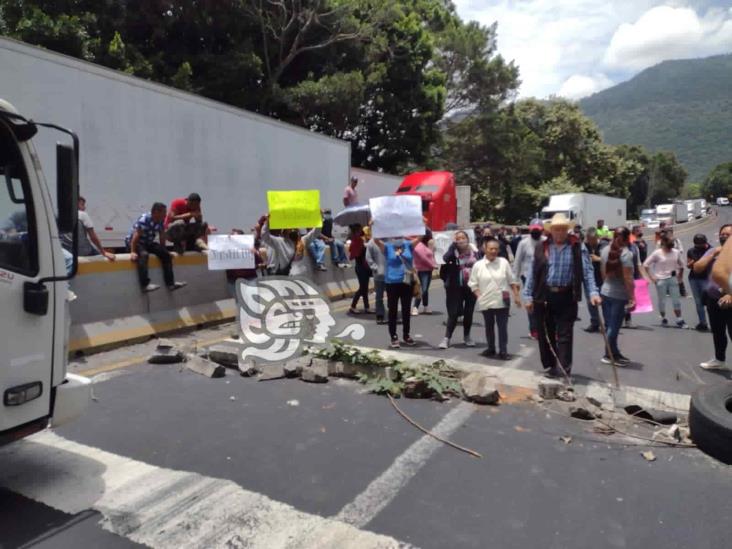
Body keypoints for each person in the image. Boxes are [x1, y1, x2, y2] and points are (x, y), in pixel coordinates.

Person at [523, 213, 602, 379]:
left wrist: (593, 292)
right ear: (550, 231)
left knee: (565, 334)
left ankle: (564, 369)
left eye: (563, 229)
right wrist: (527, 295)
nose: (559, 233)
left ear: (567, 230)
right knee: (547, 333)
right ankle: (552, 365)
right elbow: (532, 272)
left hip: (566, 296)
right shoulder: (542, 247)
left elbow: (587, 272)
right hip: (544, 296)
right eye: (556, 229)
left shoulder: (577, 247)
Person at [469, 237, 521, 360]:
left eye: (496, 249)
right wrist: (479, 296)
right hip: (485, 300)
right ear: (485, 249)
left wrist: (516, 296)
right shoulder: (478, 265)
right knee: (489, 326)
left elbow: (512, 280)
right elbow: (473, 283)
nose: (493, 251)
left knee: (502, 327)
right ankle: (491, 348)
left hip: (502, 300)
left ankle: (503, 350)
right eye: (491, 249)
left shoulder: (503, 262)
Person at [126, 202, 186, 293]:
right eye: (164, 212)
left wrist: (164, 250)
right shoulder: (145, 219)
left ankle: (171, 284)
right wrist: (133, 252)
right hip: (136, 242)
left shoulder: (160, 220)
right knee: (144, 255)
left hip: (148, 242)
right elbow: (136, 236)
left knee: (166, 255)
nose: (165, 215)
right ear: (156, 212)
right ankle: (144, 285)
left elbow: (162, 236)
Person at [695, 225, 732, 369]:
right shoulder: (713, 250)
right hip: (713, 298)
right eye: (722, 234)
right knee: (718, 332)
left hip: (729, 299)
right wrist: (712, 254)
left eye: (728, 235)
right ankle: (719, 360)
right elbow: (697, 268)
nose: (724, 237)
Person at [599, 227, 636, 365]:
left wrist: (606, 286)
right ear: (627, 238)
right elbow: (628, 278)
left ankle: (614, 352)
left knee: (610, 325)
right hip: (619, 295)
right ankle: (608, 355)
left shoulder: (604, 250)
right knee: (614, 327)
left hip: (606, 291)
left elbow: (602, 271)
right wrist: (632, 297)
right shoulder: (626, 254)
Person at [439, 231, 478, 349]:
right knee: (453, 313)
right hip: (454, 287)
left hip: (471, 287)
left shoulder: (475, 252)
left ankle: (467, 336)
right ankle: (446, 338)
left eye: (463, 238)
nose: (461, 240)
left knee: (468, 312)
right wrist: (452, 246)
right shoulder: (452, 253)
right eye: (458, 238)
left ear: (468, 239)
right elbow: (445, 259)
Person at [374, 237, 416, 348]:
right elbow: (376, 240)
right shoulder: (387, 246)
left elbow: (422, 235)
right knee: (392, 310)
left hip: (406, 281)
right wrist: (373, 225)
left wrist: (423, 224)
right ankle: (393, 336)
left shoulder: (408, 244)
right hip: (392, 282)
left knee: (406, 310)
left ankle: (406, 335)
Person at [643, 234, 687, 328]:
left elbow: (682, 265)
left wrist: (680, 276)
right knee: (662, 300)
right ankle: (663, 318)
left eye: (672, 244)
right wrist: (652, 277)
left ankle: (679, 319)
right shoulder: (657, 253)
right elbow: (646, 264)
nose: (671, 246)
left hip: (672, 278)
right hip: (660, 279)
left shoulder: (676, 252)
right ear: (664, 243)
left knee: (676, 300)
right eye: (669, 244)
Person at [513, 219, 545, 339]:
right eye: (534, 229)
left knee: (543, 304)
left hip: (542, 278)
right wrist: (514, 280)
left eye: (538, 230)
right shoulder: (524, 243)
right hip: (527, 278)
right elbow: (517, 261)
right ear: (530, 229)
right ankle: (533, 329)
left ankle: (544, 327)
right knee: (530, 303)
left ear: (542, 230)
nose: (536, 231)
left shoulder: (546, 242)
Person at [62, 196, 116, 261]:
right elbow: (93, 237)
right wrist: (103, 252)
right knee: (103, 258)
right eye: (82, 205)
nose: (84, 207)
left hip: (67, 253)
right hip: (83, 251)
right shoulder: (82, 215)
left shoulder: (61, 216)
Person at [225, 229, 262, 297]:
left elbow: (259, 261)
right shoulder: (226, 250)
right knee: (239, 303)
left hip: (250, 279)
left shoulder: (250, 248)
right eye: (232, 237)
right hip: (234, 281)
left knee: (253, 302)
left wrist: (255, 253)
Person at [687, 234, 711, 331]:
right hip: (694, 279)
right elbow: (688, 265)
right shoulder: (691, 251)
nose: (699, 246)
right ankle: (703, 323)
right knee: (698, 302)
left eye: (701, 244)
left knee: (710, 302)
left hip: (707, 279)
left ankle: (714, 323)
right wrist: (690, 263)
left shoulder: (711, 251)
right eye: (697, 244)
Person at [582, 227, 604, 333]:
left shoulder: (604, 245)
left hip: (602, 278)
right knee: (591, 302)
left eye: (593, 239)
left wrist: (598, 259)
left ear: (597, 237)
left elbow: (611, 259)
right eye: (589, 239)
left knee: (604, 302)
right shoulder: (585, 246)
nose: (591, 242)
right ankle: (595, 322)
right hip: (589, 278)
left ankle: (608, 323)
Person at [411, 229, 437, 315]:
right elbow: (424, 258)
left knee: (426, 289)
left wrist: (432, 248)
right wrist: (433, 265)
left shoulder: (429, 245)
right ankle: (415, 307)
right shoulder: (419, 245)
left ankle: (425, 306)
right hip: (420, 270)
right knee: (423, 289)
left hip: (428, 270)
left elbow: (432, 256)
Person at [348, 224, 372, 314]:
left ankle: (367, 307)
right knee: (362, 288)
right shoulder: (356, 241)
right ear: (356, 231)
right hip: (361, 267)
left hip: (364, 267)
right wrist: (363, 247)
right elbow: (356, 254)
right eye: (359, 229)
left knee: (365, 288)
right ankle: (353, 306)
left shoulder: (360, 240)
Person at [366, 235, 387, 324]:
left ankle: (392, 313)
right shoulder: (372, 242)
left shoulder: (390, 240)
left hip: (391, 275)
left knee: (393, 296)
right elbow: (368, 257)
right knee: (379, 296)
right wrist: (375, 268)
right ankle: (380, 315)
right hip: (378, 275)